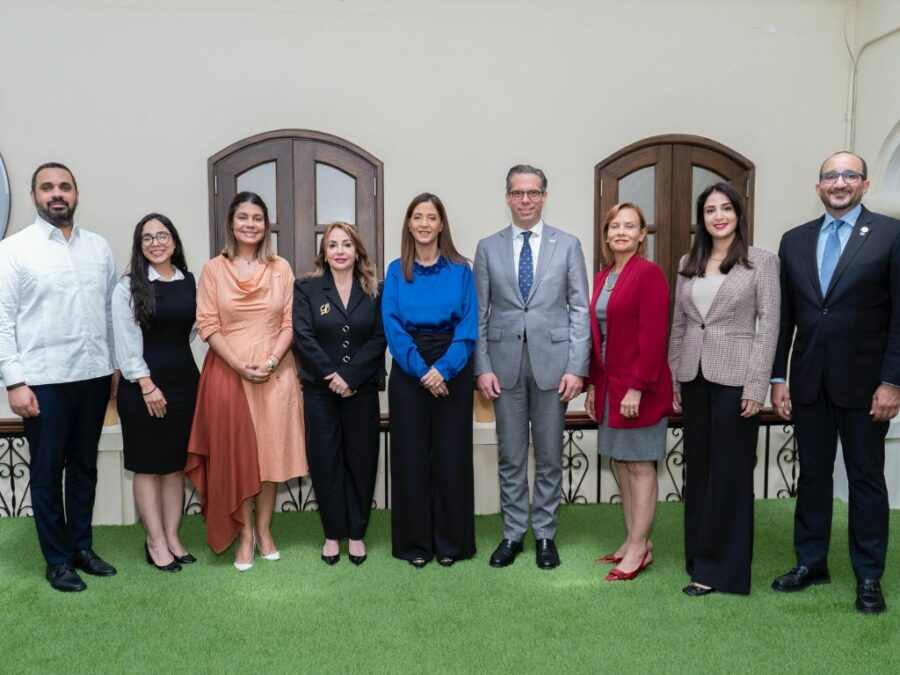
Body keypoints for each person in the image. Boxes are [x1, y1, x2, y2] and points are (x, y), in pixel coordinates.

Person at [770, 151, 900, 614]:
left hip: (868, 388)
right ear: (818, 185)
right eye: (830, 176)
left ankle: (869, 576)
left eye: (849, 175)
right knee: (812, 476)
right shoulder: (794, 241)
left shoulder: (890, 234)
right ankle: (811, 563)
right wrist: (778, 376)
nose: (839, 182)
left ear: (864, 184)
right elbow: (788, 316)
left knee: (866, 480)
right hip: (808, 382)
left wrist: (892, 381)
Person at [0, 162, 118, 592]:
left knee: (84, 467)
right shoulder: (14, 250)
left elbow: (109, 313)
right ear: (33, 196)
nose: (57, 193)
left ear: (76, 195)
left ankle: (81, 548)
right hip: (42, 381)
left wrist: (115, 365)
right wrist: (15, 382)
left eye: (64, 187)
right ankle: (57, 560)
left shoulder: (100, 248)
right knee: (48, 472)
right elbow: (2, 321)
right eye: (47, 187)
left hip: (93, 375)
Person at [474, 164, 590, 570]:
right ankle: (512, 534)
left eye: (533, 193)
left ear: (544, 196)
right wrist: (482, 367)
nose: (526, 200)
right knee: (510, 455)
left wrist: (577, 367)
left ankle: (544, 535)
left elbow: (579, 309)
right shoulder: (487, 247)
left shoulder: (568, 244)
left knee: (549, 456)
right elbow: (480, 315)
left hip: (554, 367)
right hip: (502, 368)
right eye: (518, 193)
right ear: (507, 197)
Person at [186, 191, 307, 571]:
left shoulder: (281, 268)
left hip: (276, 374)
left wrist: (271, 361)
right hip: (228, 375)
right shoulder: (213, 270)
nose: (250, 224)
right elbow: (208, 324)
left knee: (269, 457)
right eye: (243, 217)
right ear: (231, 224)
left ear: (266, 224)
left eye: (257, 217)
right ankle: (243, 534)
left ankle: (265, 530)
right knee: (236, 459)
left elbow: (290, 323)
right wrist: (240, 365)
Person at [668, 184, 780, 596]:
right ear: (703, 217)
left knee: (729, 474)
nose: (718, 215)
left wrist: (757, 385)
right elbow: (680, 324)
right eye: (711, 209)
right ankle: (698, 556)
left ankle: (723, 572)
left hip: (736, 379)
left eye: (726, 208)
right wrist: (675, 375)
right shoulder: (688, 261)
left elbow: (768, 327)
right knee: (697, 470)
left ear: (738, 213)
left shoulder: (761, 262)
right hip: (693, 377)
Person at [382, 193, 477, 568]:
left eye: (431, 217)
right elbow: (391, 326)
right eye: (417, 217)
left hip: (454, 366)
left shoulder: (461, 270)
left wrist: (445, 369)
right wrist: (423, 371)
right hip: (409, 371)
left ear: (441, 224)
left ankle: (451, 543)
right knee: (411, 458)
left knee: (452, 457)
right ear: (409, 224)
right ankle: (415, 545)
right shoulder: (395, 270)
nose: (424, 223)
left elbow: (469, 328)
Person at [584, 203, 671, 581]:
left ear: (641, 235)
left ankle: (640, 547)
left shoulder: (649, 274)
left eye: (629, 226)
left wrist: (637, 387)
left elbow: (653, 337)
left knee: (639, 466)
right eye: (614, 226)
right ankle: (633, 539)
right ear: (606, 235)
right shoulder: (603, 277)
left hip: (640, 388)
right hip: (609, 386)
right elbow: (596, 336)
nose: (621, 232)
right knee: (622, 463)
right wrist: (591, 385)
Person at [293, 221, 386, 566]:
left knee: (362, 462)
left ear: (357, 250)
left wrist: (349, 377)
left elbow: (380, 338)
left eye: (346, 244)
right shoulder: (307, 288)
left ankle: (357, 534)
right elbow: (303, 336)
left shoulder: (376, 288)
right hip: (319, 392)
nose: (340, 251)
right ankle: (333, 535)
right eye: (332, 245)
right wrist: (332, 375)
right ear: (324, 253)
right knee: (326, 462)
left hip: (361, 391)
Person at [112, 213, 200, 573]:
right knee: (148, 466)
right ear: (139, 246)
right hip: (144, 387)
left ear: (174, 242)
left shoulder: (188, 280)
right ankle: (155, 540)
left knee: (174, 466)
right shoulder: (128, 286)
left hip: (184, 383)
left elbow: (192, 330)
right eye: (147, 238)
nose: (156, 243)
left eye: (162, 235)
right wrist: (146, 385)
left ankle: (173, 537)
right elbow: (125, 342)